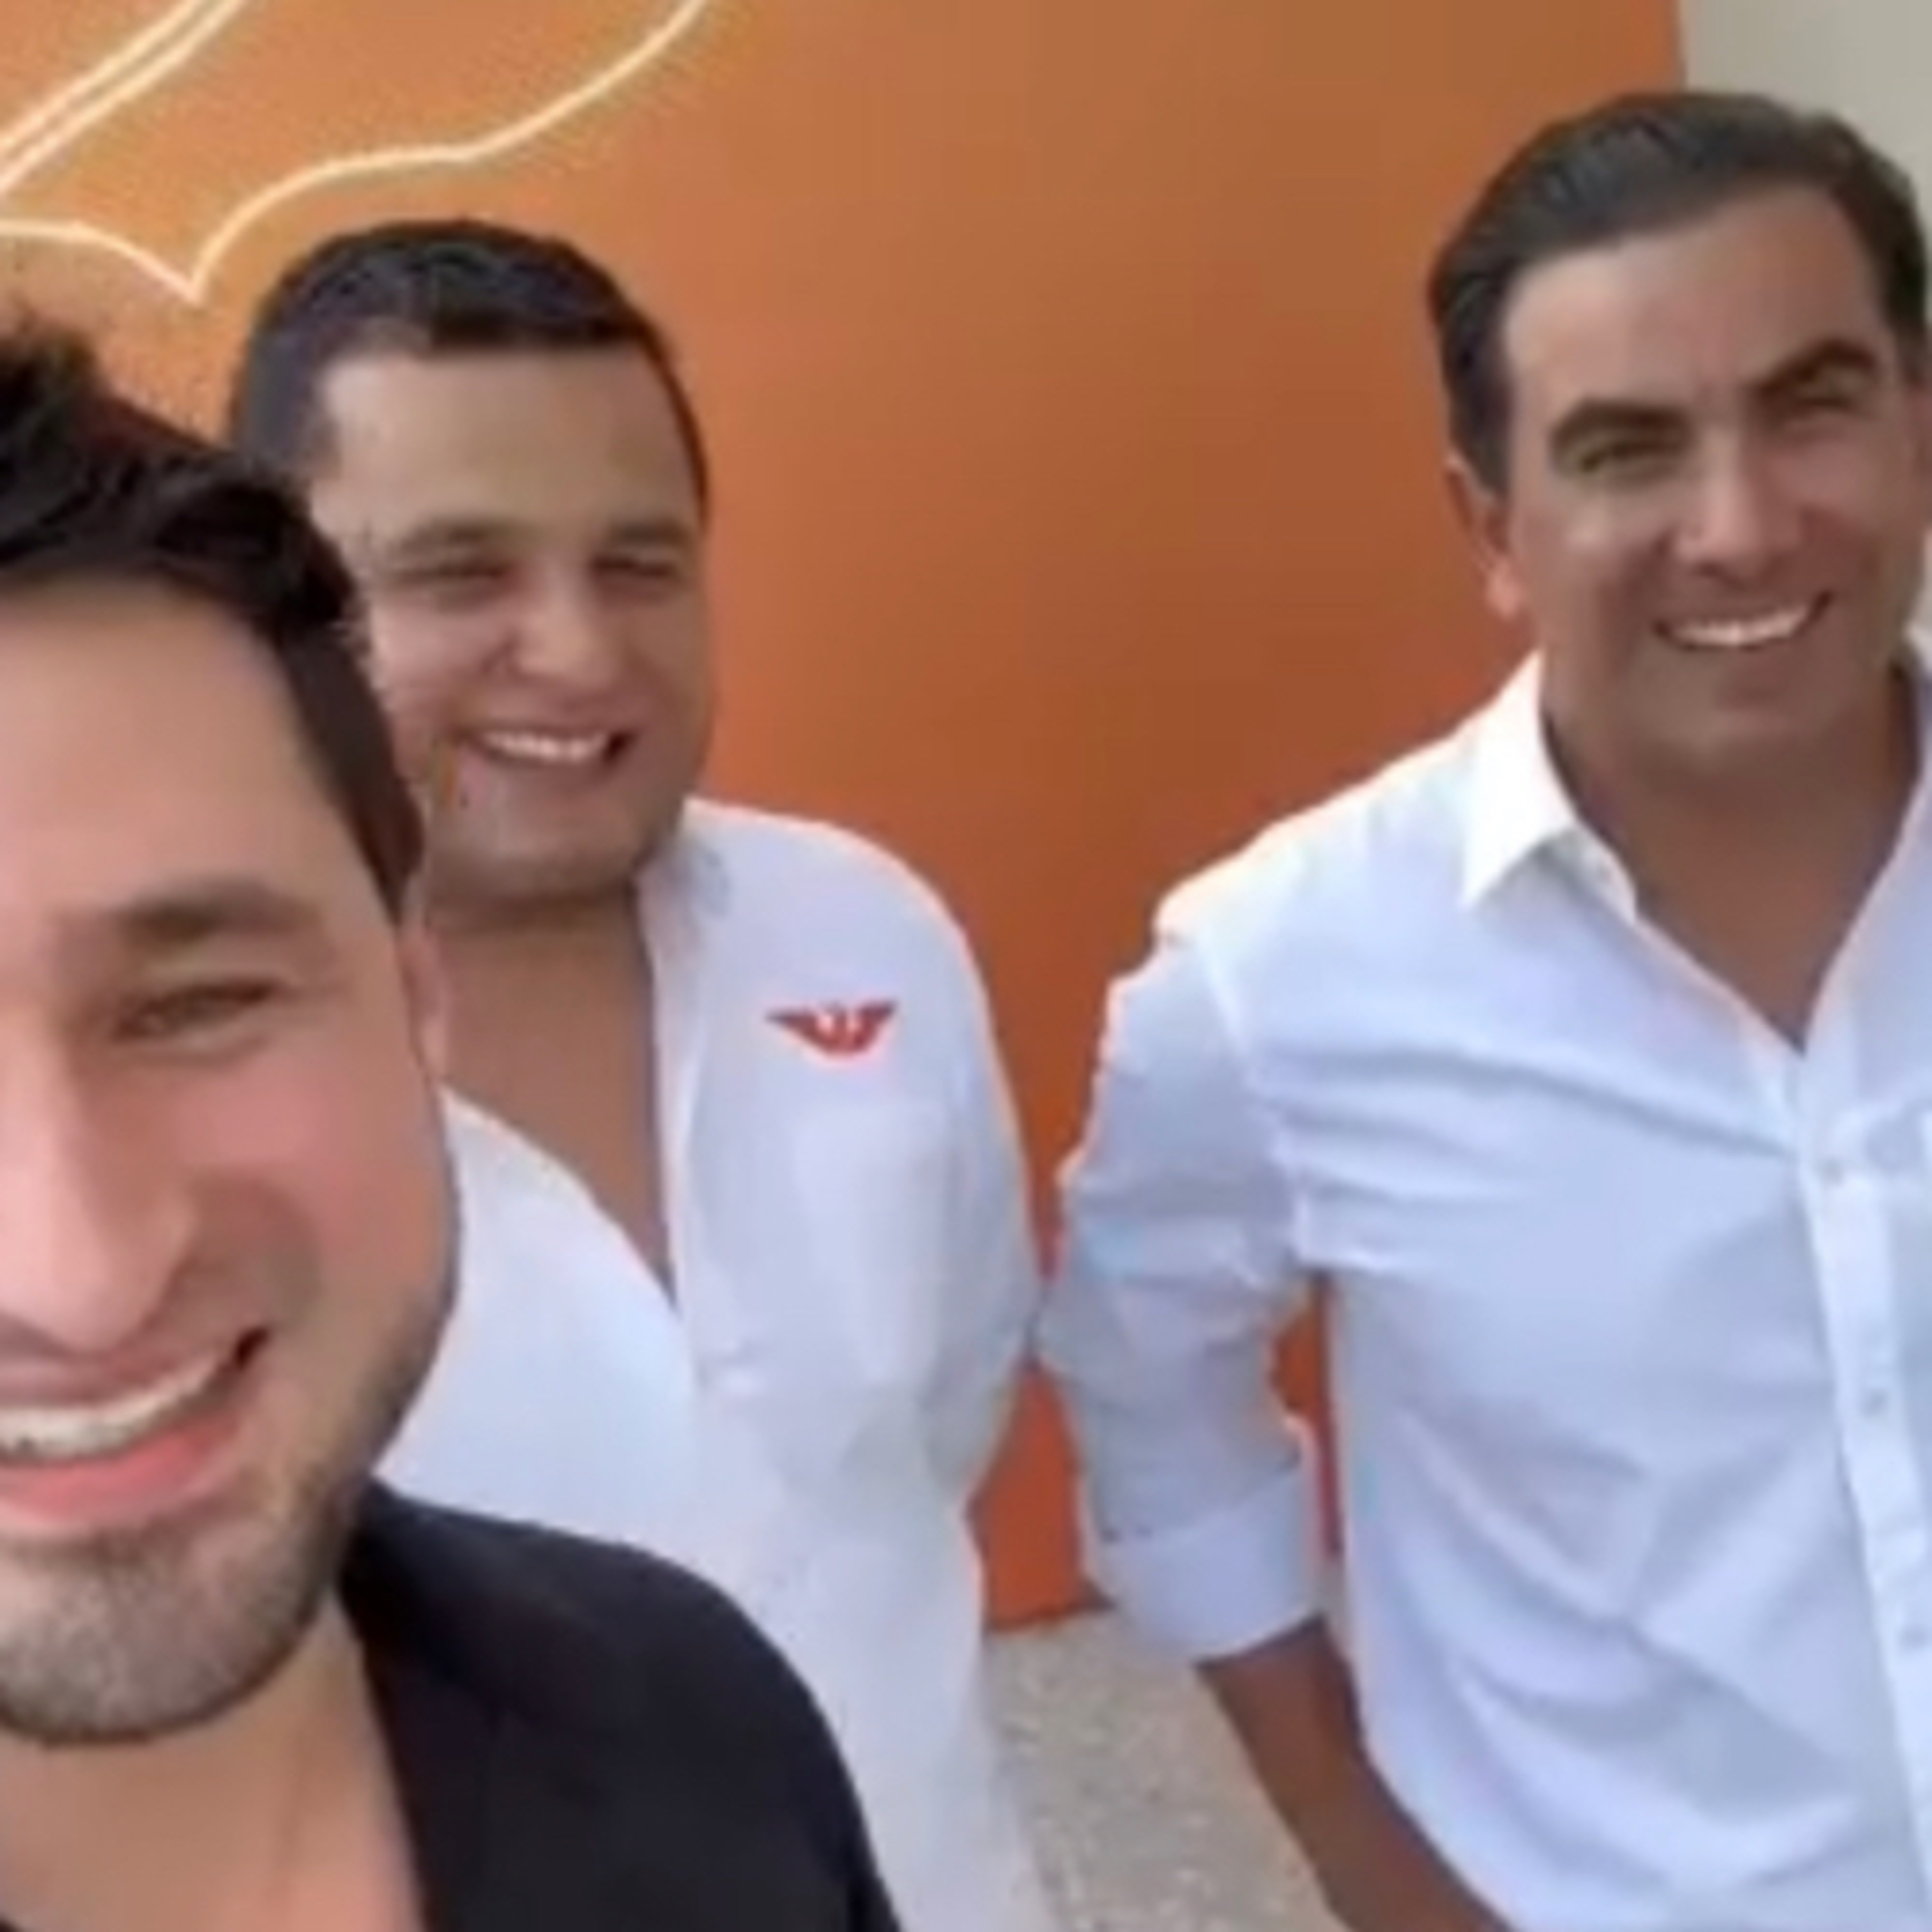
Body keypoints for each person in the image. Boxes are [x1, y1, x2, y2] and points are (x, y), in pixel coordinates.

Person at [1043, 89, 1932, 1932]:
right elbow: (1150, 1396)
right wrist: (1360, 1853)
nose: (1740, 526)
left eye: (1811, 406)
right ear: (1494, 526)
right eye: (1625, 449)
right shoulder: (1278, 978)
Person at [0, 323, 899, 1932]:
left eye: (198, 1002)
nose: (79, 1276)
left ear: (414, 993)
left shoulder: (692, 1726)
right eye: (466, 569)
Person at [225, 220, 1056, 1932]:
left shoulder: (866, 932)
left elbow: (934, 1432)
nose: (581, 650)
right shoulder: (175, 1094)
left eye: (639, 563)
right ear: (278, 615)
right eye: (463, 572)